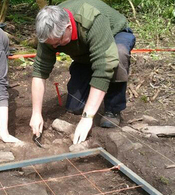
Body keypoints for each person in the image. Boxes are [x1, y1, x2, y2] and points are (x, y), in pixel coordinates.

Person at [30, 0, 136, 145]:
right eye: (51, 44)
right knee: (75, 107)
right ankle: (88, 84)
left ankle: (113, 108)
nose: (54, 47)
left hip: (114, 34)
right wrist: (36, 113)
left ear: (68, 27)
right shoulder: (49, 32)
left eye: (58, 43)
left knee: (117, 56)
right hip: (85, 50)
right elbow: (39, 71)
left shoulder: (92, 20)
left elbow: (103, 67)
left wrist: (87, 118)